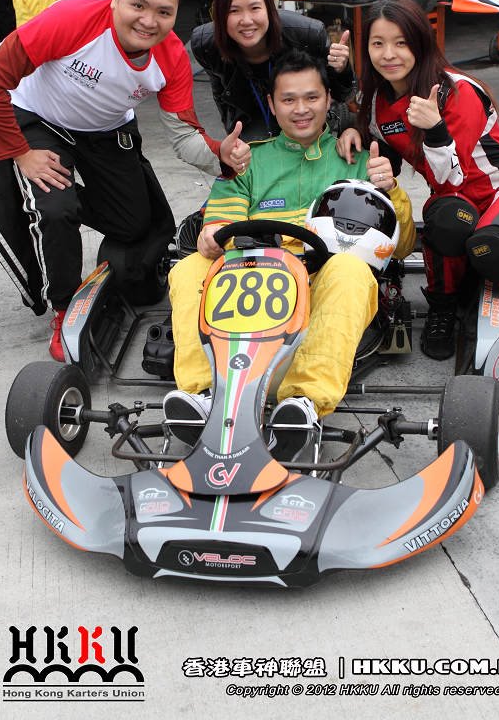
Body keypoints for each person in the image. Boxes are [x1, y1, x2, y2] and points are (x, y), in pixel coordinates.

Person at [0, 0, 250, 362]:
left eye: (163, 12)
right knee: (56, 208)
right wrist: (20, 153)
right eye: (138, 5)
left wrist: (221, 154)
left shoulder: (171, 56)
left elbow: (183, 137)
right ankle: (64, 306)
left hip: (105, 130)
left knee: (135, 223)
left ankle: (48, 198)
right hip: (38, 119)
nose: (148, 21)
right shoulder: (71, 17)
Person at [164, 49, 416, 459]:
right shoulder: (248, 160)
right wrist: (211, 234)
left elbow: (399, 247)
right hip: (250, 280)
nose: (301, 109)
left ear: (328, 100)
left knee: (351, 271)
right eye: (289, 99)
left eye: (311, 97)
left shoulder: (356, 160)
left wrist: (392, 191)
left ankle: (303, 402)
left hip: (320, 288)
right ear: (272, 104)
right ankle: (205, 394)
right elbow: (220, 224)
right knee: (190, 267)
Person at [336, 0, 499, 369]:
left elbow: (452, 175)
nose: (388, 54)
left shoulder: (458, 91)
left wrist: (435, 129)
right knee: (445, 221)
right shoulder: (378, 99)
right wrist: (352, 130)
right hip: (455, 201)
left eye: (401, 43)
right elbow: (384, 147)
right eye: (378, 43)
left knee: (490, 243)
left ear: (421, 43)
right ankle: (443, 309)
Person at [190, 0, 355, 142]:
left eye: (255, 8)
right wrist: (235, 140)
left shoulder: (307, 35)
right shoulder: (205, 45)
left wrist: (341, 69)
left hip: (308, 122)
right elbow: (223, 100)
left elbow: (343, 95)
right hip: (254, 121)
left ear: (269, 9)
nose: (246, 20)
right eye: (234, 10)